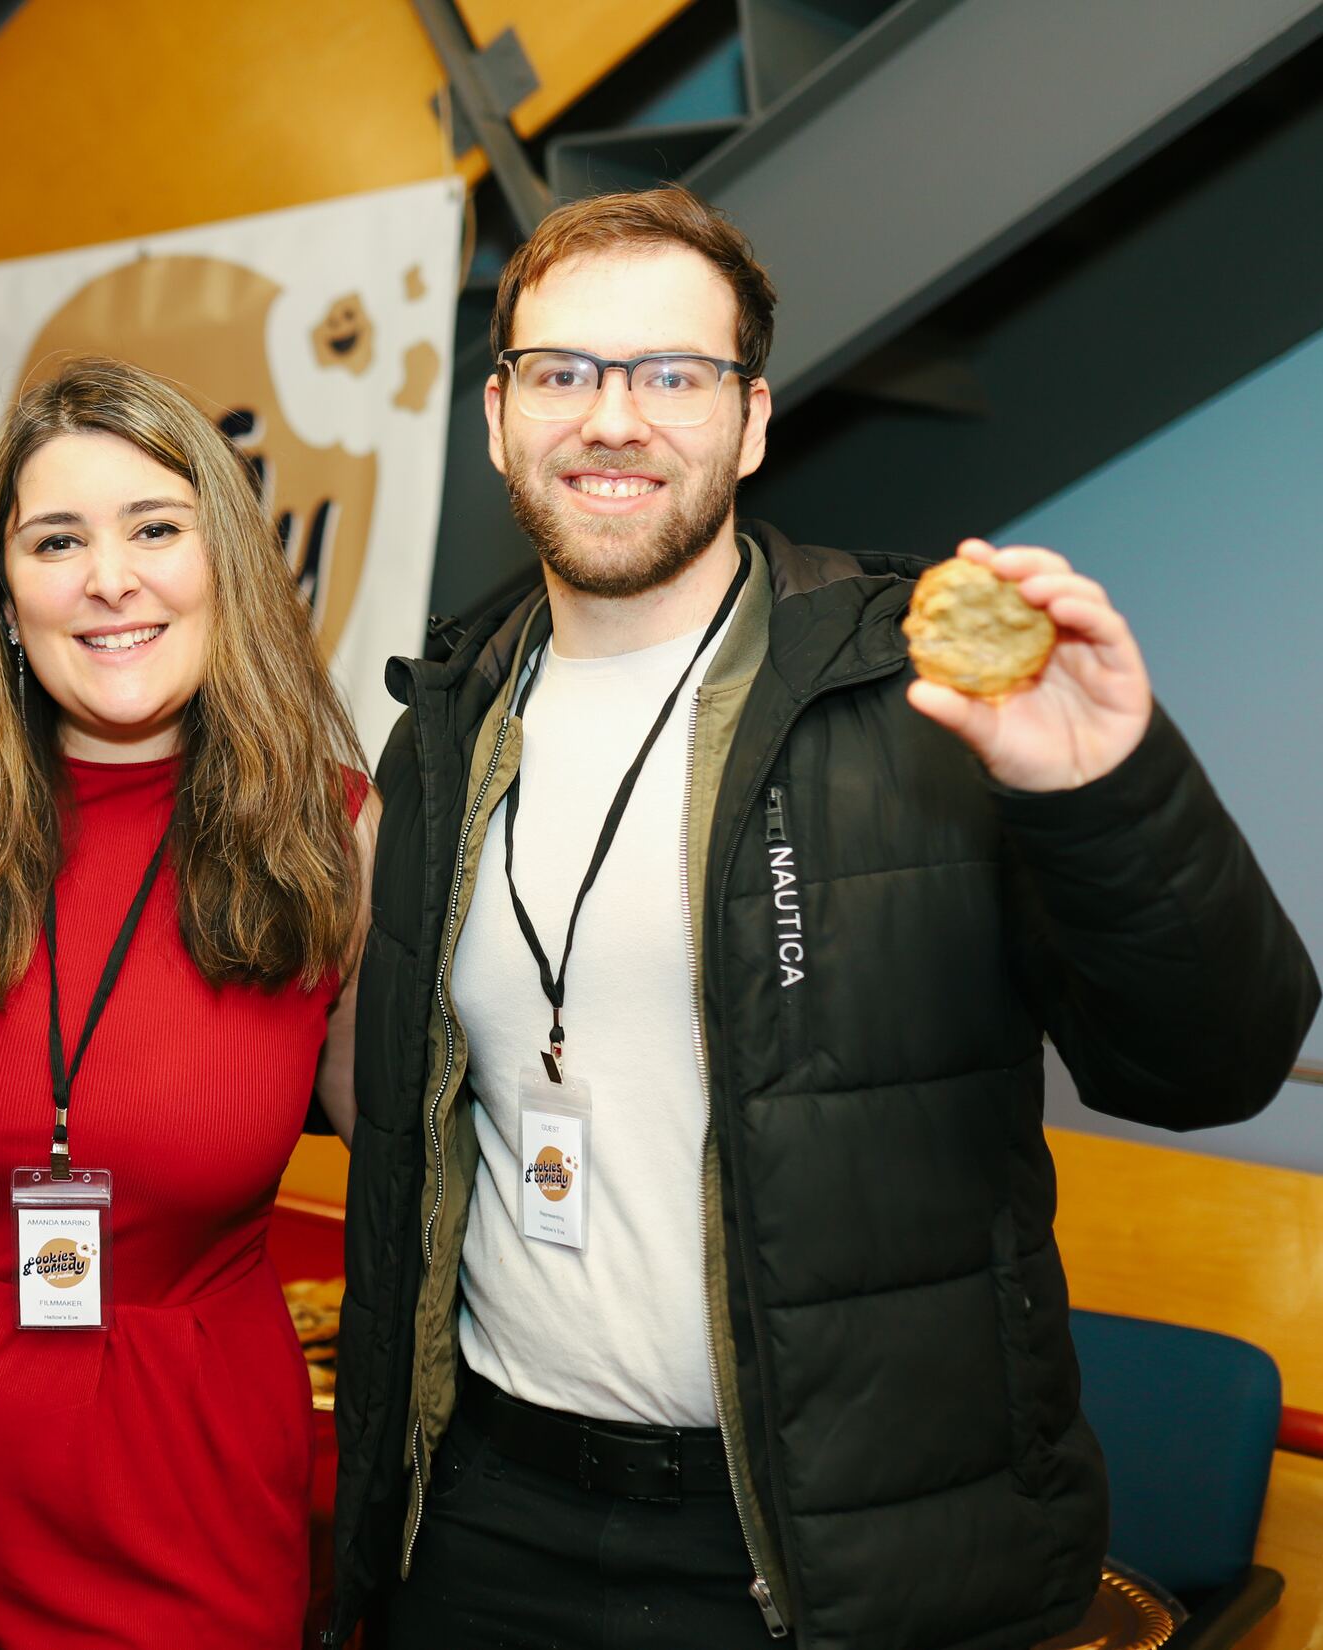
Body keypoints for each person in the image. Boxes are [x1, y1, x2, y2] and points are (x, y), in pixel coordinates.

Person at [327, 186, 1319, 1650]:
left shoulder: (919, 701)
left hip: (826, 1552)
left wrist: (1109, 789)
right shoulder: (446, 723)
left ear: (753, 420)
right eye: (564, 372)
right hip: (487, 1523)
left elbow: (1211, 1061)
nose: (612, 418)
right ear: (498, 416)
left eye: (673, 373)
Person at [0, 357, 376, 1650]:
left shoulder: (331, 834)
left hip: (182, 1491)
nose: (109, 578)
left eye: (155, 529)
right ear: (6, 591)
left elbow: (427, 1155)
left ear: (222, 557)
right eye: (58, 539)